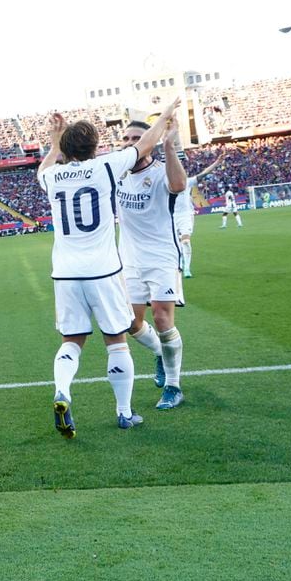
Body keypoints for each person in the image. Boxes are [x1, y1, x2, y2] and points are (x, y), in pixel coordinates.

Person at [37, 99, 180, 435]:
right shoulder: (106, 167)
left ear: (65, 149)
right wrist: (166, 114)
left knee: (70, 342)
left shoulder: (53, 176)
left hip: (65, 274)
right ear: (96, 146)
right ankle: (124, 412)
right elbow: (147, 143)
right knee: (116, 342)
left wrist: (53, 141)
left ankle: (62, 391)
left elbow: (42, 169)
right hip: (103, 271)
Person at [116, 117, 187, 411]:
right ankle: (159, 353)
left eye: (136, 138)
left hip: (161, 256)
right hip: (129, 260)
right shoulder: (117, 171)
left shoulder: (160, 172)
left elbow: (180, 184)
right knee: (131, 324)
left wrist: (169, 145)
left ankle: (173, 385)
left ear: (149, 142)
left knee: (161, 318)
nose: (130, 143)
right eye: (127, 139)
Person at [175, 153, 222, 277]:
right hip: (171, 217)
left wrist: (217, 162)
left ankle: (187, 269)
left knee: (185, 241)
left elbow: (204, 173)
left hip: (185, 216)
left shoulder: (187, 182)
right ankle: (179, 264)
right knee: (175, 244)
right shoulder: (166, 184)